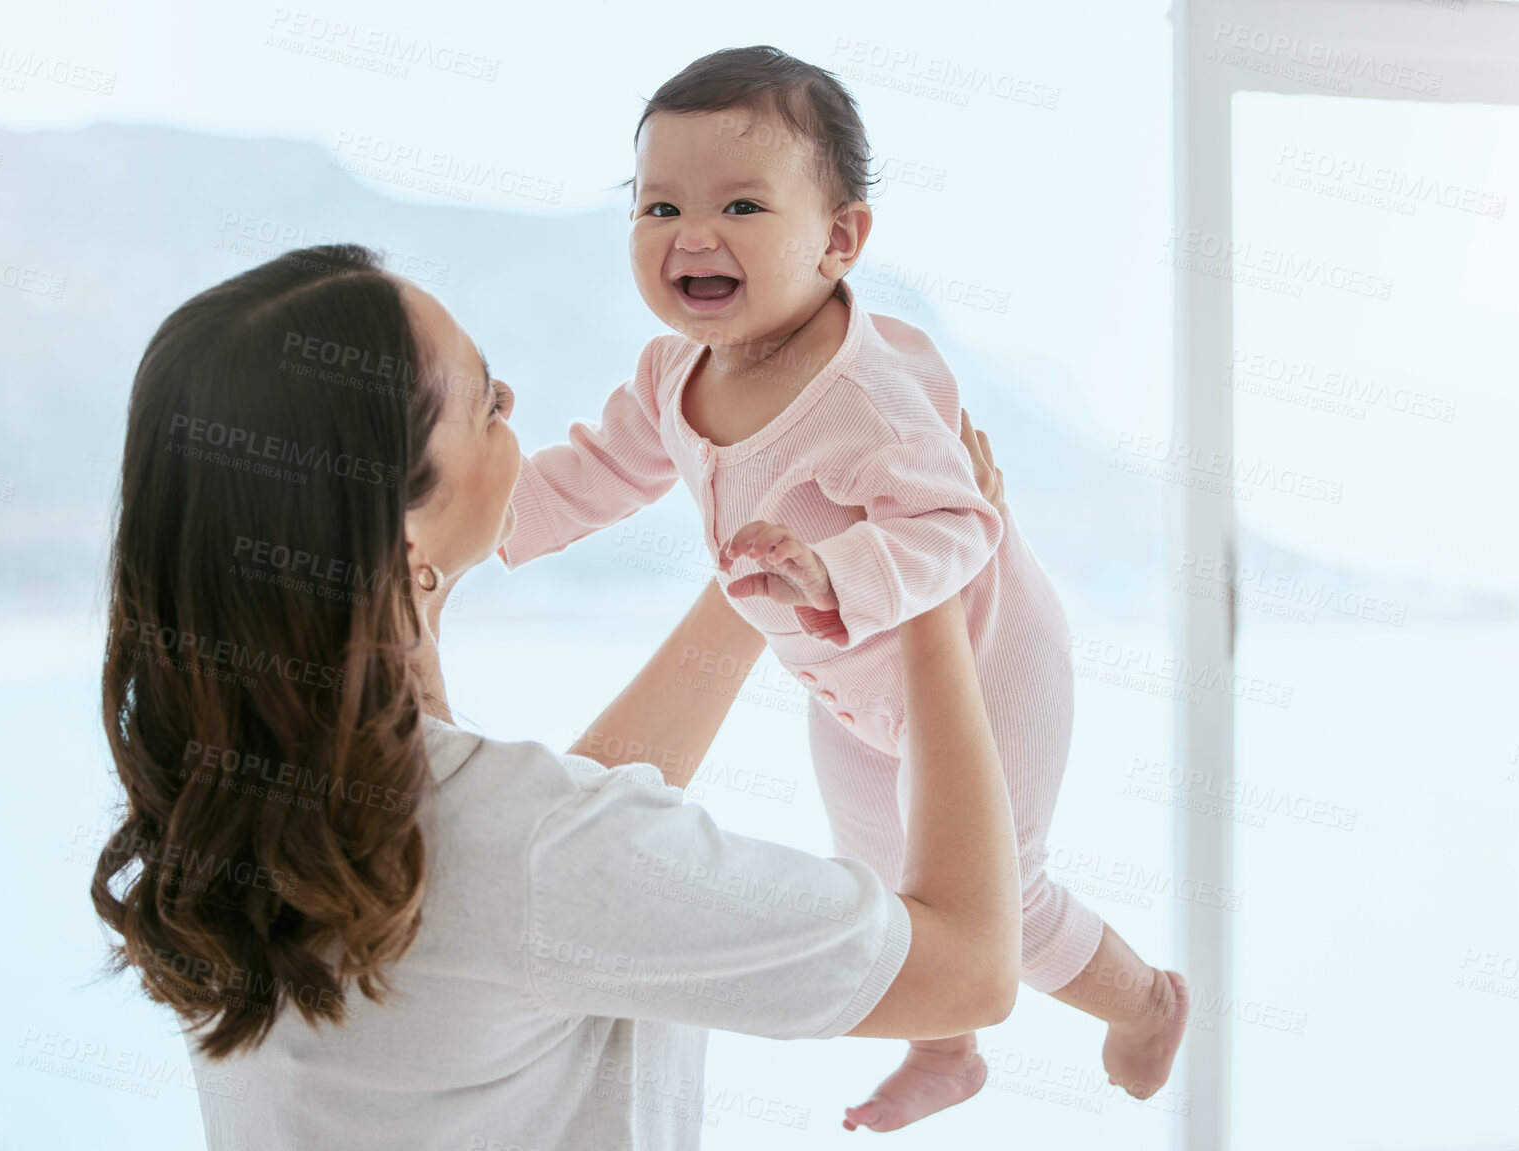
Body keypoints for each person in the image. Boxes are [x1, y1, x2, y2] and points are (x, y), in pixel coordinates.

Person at [91, 243, 1025, 1149]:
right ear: (398, 529)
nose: (512, 405)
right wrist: (926, 577)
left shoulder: (227, 816)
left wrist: (759, 562)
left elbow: (556, 866)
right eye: (484, 402)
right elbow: (971, 967)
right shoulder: (528, 851)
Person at [495, 45, 1187, 1132]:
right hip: (843, 682)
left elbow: (959, 520)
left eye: (740, 203)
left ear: (840, 237)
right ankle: (946, 1044)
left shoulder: (861, 392)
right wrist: (481, 518)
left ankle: (1143, 1000)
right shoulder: (669, 375)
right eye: (658, 203)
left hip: (985, 658)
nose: (691, 233)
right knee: (883, 879)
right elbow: (594, 472)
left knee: (1000, 887)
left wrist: (834, 572)